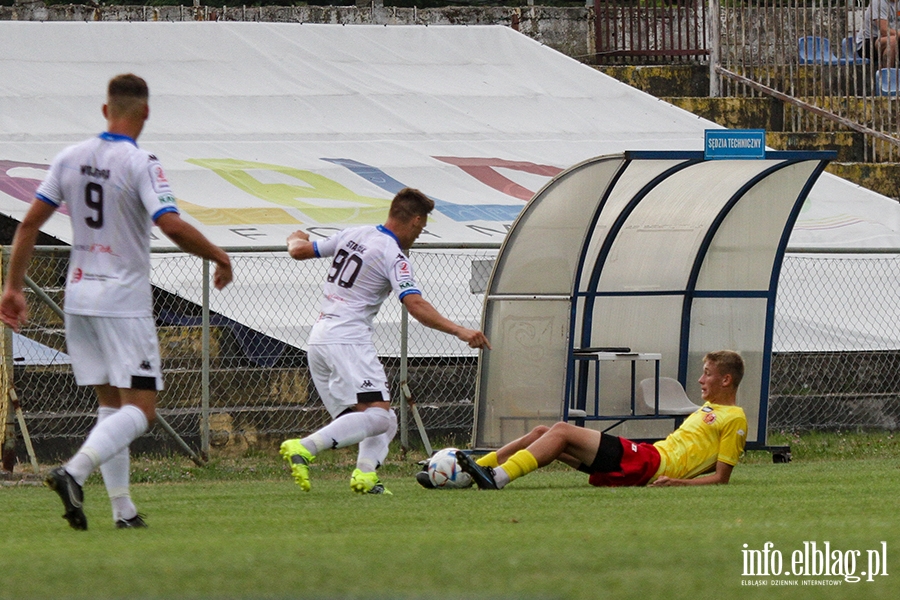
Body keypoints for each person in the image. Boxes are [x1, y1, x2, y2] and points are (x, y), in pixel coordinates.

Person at [0, 74, 233, 530]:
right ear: (145, 113)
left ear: (105, 110)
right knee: (141, 410)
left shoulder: (70, 158)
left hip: (79, 295)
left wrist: (13, 287)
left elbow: (27, 225)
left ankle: (123, 511)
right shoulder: (141, 161)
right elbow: (170, 223)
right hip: (122, 299)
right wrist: (218, 255)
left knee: (112, 406)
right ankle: (73, 471)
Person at [279, 187, 490, 495]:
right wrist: (460, 330)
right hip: (348, 340)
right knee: (378, 415)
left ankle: (366, 477)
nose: (419, 234)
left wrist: (294, 237)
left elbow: (298, 250)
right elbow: (415, 305)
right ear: (416, 221)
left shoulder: (354, 234)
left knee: (383, 419)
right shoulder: (393, 254)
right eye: (422, 227)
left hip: (320, 339)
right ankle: (304, 448)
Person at [456, 350, 747, 490]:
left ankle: (498, 478)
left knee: (560, 431)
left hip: (653, 464)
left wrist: (679, 483)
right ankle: (476, 469)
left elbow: (721, 477)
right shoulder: (708, 408)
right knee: (544, 432)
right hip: (648, 458)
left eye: (707, 373)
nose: (700, 379)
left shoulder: (735, 418)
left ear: (726, 379)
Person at [856, 0, 900, 67]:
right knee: (892, 41)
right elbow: (884, 31)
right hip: (867, 42)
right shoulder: (878, 2)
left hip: (895, 37)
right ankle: (887, 75)